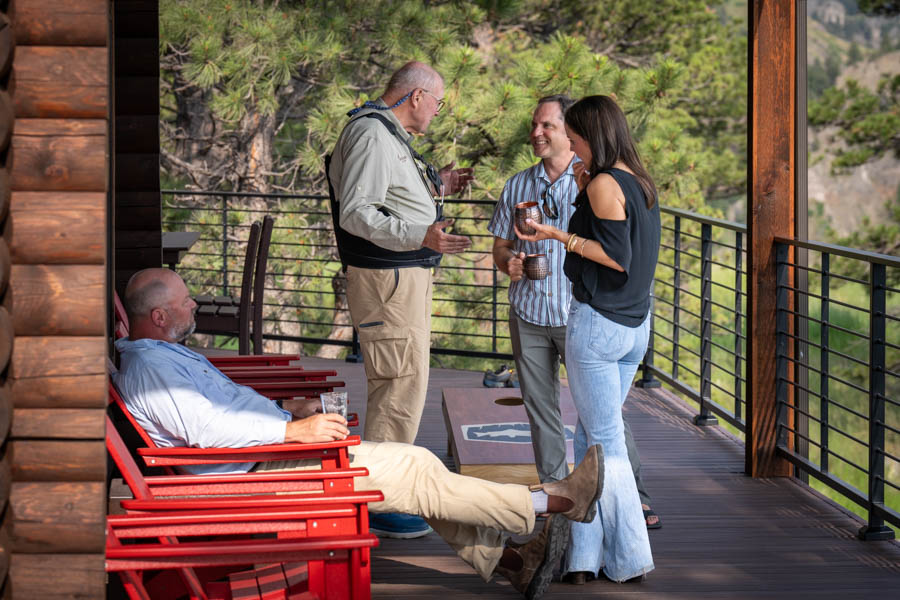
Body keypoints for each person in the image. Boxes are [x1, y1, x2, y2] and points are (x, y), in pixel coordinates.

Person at [115, 268, 605, 600]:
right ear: (159, 317)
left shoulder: (156, 356)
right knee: (414, 468)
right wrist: (292, 430)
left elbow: (215, 411)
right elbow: (208, 428)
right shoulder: (151, 370)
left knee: (415, 472)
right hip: (254, 474)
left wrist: (285, 407)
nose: (194, 303)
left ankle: (512, 564)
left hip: (264, 453)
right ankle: (551, 503)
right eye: (185, 301)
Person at [489, 96, 661, 528]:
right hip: (529, 312)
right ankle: (556, 495)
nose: (537, 133)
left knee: (600, 415)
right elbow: (500, 243)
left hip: (582, 314)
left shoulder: (595, 182)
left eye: (547, 125)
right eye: (534, 125)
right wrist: (507, 261)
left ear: (572, 133)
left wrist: (561, 233)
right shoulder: (517, 185)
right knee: (541, 408)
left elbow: (614, 250)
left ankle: (632, 497)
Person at [327, 60, 474, 537]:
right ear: (416, 96)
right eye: (438, 101)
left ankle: (380, 491)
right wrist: (422, 233)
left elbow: (387, 196)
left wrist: (437, 188)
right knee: (398, 386)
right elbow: (357, 212)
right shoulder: (372, 134)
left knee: (400, 381)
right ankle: (382, 500)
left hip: (397, 281)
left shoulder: (384, 134)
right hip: (389, 283)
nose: (437, 111)